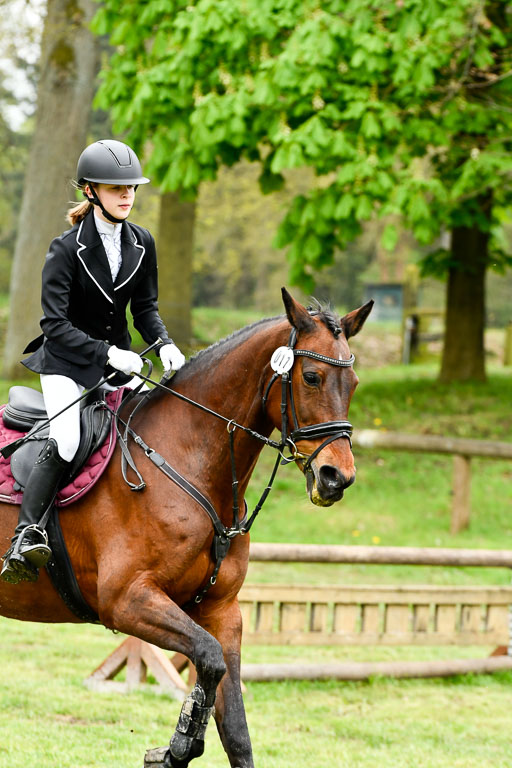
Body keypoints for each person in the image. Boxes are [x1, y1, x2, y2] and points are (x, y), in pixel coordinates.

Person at [1, 139, 185, 584]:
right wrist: (107, 353)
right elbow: (54, 324)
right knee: (67, 439)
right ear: (90, 191)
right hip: (65, 364)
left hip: (117, 364)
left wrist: (163, 343)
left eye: (131, 188)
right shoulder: (65, 249)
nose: (127, 195)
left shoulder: (142, 242)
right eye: (116, 188)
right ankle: (25, 535)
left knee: (156, 423)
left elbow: (145, 309)